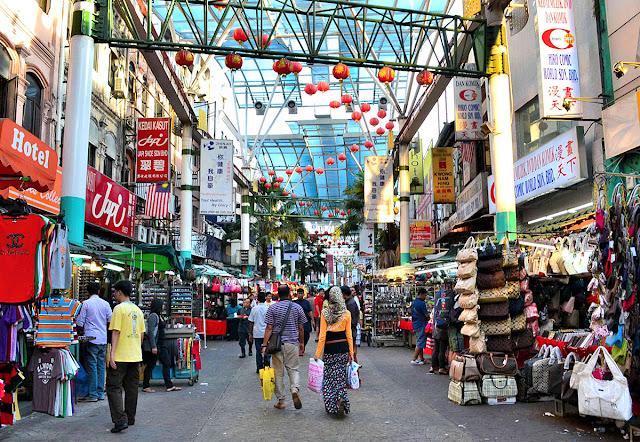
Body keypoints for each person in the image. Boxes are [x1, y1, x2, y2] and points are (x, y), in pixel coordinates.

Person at [107, 280, 145, 433]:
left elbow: (116, 331)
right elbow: (142, 334)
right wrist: (136, 348)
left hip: (121, 355)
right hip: (135, 355)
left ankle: (120, 420)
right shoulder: (138, 310)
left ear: (120, 292)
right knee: (131, 388)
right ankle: (130, 417)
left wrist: (112, 353)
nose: (115, 295)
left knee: (114, 387)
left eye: (115, 292)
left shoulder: (119, 309)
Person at [262, 284, 307, 410]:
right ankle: (294, 389)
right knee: (293, 369)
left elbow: (269, 328)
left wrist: (264, 344)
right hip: (292, 343)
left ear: (277, 294)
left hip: (276, 344)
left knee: (278, 373)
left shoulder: (272, 308)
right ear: (289, 294)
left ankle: (281, 401)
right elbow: (301, 328)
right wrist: (302, 343)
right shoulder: (297, 307)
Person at [315, 286, 354, 417]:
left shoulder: (325, 313)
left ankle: (332, 405)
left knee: (329, 378)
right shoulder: (346, 313)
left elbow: (322, 336)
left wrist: (317, 354)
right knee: (340, 377)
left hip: (330, 349)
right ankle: (341, 397)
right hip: (343, 348)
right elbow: (349, 335)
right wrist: (351, 352)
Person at [77, 282, 112, 402]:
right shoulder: (105, 304)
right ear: (98, 291)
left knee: (92, 365)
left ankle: (93, 394)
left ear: (87, 292)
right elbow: (110, 320)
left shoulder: (86, 304)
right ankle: (100, 392)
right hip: (102, 338)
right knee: (100, 365)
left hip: (91, 338)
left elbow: (80, 323)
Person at [141, 299, 180, 393]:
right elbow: (150, 332)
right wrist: (153, 346)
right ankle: (145, 385)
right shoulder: (153, 316)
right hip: (157, 344)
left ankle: (169, 385)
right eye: (162, 304)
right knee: (151, 365)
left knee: (166, 363)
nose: (163, 306)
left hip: (162, 344)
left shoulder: (159, 316)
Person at [430, 289, 453, 375]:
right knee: (442, 348)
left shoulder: (437, 295)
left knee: (436, 348)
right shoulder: (449, 295)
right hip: (443, 326)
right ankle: (441, 367)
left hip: (436, 325)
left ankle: (433, 366)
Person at [248, 292, 270, 373]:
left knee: (258, 351)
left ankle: (259, 367)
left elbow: (251, 322)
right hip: (266, 333)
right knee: (267, 350)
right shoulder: (268, 308)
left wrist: (250, 333)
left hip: (257, 333)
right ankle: (267, 366)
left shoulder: (254, 309)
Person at [410, 288, 430, 365]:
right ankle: (414, 359)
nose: (425, 297)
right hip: (421, 324)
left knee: (420, 342)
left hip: (415, 324)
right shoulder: (422, 304)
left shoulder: (414, 303)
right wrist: (429, 317)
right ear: (420, 294)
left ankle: (421, 359)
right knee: (420, 342)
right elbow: (426, 314)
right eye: (425, 295)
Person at [293, 287, 313, 353]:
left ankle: (303, 346)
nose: (300, 295)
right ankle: (300, 348)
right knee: (298, 335)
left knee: (307, 335)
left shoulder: (306, 302)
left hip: (306, 321)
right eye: (299, 293)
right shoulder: (294, 302)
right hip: (296, 322)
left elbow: (310, 311)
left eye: (301, 293)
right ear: (297, 294)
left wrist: (312, 320)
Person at [342, 286, 359, 359]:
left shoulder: (350, 303)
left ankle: (353, 367)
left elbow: (352, 319)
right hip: (351, 330)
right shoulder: (350, 302)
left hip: (351, 330)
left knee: (351, 351)